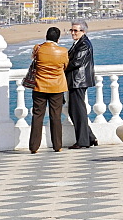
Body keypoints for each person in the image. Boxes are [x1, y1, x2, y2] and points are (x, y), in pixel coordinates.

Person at [28, 26, 69, 154]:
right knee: (55, 116)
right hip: (56, 87)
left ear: (46, 36)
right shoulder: (62, 51)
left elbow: (33, 59)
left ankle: (34, 147)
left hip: (39, 86)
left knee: (37, 116)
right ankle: (57, 145)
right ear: (58, 38)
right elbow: (65, 66)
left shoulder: (38, 48)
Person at [65, 20, 97, 149]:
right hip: (76, 81)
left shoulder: (84, 44)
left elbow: (76, 62)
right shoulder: (78, 43)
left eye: (75, 30)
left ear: (83, 31)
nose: (72, 33)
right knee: (76, 111)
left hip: (78, 81)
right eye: (71, 30)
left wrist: (61, 67)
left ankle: (83, 141)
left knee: (78, 111)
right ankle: (89, 137)